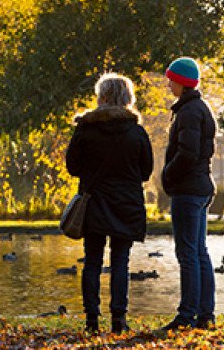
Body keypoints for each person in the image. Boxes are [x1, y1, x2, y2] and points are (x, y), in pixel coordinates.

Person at [65, 73, 154, 334]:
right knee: (120, 262)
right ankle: (119, 319)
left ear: (102, 97)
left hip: (94, 202)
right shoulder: (137, 132)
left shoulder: (86, 129)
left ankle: (92, 319)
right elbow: (146, 171)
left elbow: (72, 166)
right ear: (128, 98)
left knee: (92, 260)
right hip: (126, 204)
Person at [160, 57, 217, 331]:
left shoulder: (189, 112)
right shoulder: (198, 107)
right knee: (199, 252)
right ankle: (205, 315)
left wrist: (168, 174)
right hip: (200, 186)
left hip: (189, 189)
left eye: (171, 78)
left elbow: (188, 152)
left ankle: (187, 315)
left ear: (181, 82)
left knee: (188, 253)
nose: (167, 82)